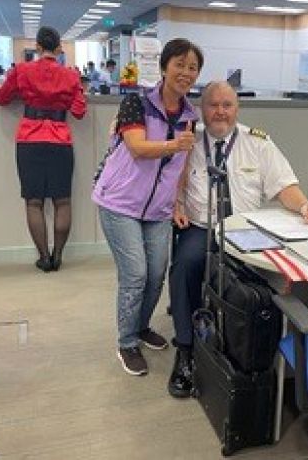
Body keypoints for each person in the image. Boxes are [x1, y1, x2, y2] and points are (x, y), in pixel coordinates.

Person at [167, 81, 308, 398]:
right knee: (184, 267)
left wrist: (305, 206)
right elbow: (170, 182)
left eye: (227, 105)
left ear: (237, 108)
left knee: (265, 277)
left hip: (243, 230)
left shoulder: (258, 143)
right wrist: (176, 204)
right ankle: (185, 351)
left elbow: (284, 187)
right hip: (201, 226)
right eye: (213, 105)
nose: (220, 112)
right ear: (202, 109)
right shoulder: (188, 141)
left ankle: (248, 345)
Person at [92, 38, 203, 377]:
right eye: (180, 64)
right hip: (119, 203)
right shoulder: (136, 103)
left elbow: (182, 166)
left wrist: (178, 202)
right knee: (136, 274)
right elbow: (138, 147)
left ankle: (140, 327)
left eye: (193, 68)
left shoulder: (190, 115)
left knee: (156, 273)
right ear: (165, 66)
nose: (186, 73)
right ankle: (126, 342)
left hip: (158, 209)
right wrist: (174, 144)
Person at [0, 26, 86, 272]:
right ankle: (58, 256)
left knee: (33, 202)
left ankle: (44, 258)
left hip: (30, 138)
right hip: (60, 140)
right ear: (59, 48)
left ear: (37, 46)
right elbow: (79, 111)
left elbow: (1, 98)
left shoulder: (22, 70)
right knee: (62, 201)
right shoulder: (71, 75)